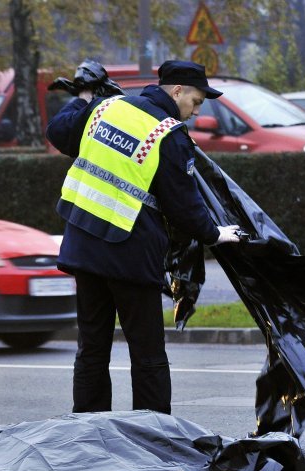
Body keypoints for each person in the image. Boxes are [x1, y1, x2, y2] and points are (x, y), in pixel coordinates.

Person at [46, 60, 240, 415]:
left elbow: (58, 132)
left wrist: (84, 96)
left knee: (91, 349)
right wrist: (216, 233)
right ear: (177, 91)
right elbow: (183, 203)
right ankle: (153, 435)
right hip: (129, 255)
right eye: (196, 102)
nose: (196, 112)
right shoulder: (167, 132)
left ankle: (86, 434)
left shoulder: (106, 107)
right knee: (148, 354)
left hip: (84, 249)